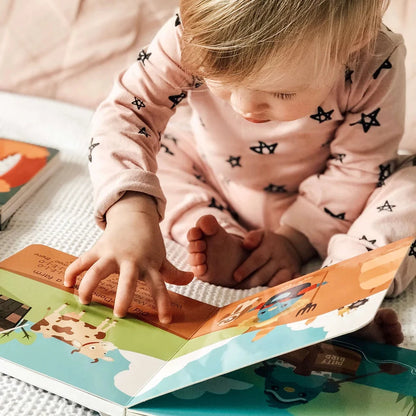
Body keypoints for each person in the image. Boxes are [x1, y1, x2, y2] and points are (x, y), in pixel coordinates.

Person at [65, 0, 415, 344]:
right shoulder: (192, 31)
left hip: (338, 201)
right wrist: (131, 211)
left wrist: (295, 239)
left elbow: (359, 167)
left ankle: (340, 295)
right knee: (160, 152)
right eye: (222, 80)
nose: (243, 106)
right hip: (214, 175)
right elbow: (129, 112)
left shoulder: (374, 57)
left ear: (353, 40)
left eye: (281, 91)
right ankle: (226, 242)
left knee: (409, 187)